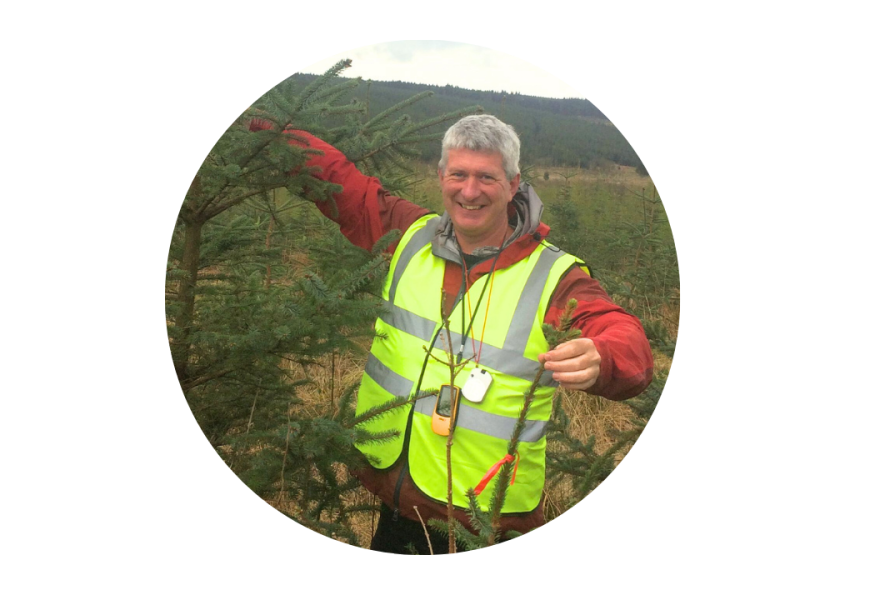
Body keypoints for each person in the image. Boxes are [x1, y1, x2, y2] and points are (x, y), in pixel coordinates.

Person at [250, 114, 653, 554]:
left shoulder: (553, 275)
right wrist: (278, 136)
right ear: (441, 175)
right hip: (396, 492)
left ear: (514, 183)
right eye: (458, 174)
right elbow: (345, 188)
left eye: (487, 177)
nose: (469, 191)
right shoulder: (411, 235)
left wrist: (603, 355)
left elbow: (621, 333)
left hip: (483, 521)